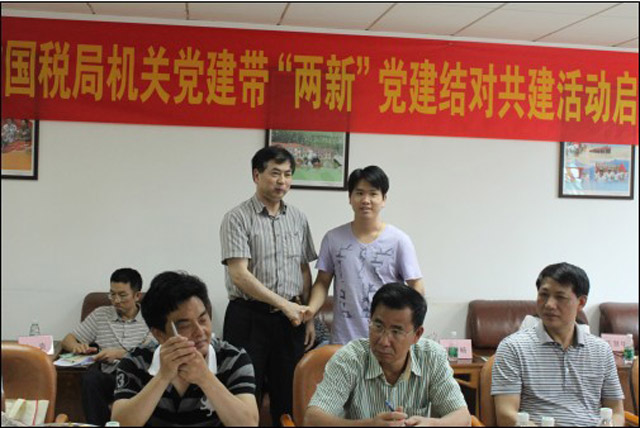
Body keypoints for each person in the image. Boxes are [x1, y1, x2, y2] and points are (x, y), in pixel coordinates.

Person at [220, 145, 318, 425]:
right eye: (275, 173)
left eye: (287, 174)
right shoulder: (237, 218)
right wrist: (285, 305)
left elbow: (303, 269)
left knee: (288, 397)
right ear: (256, 175)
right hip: (248, 318)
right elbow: (239, 275)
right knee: (243, 396)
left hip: (291, 323)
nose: (282, 181)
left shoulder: (298, 218)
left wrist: (308, 317)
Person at [305, 283, 471, 426]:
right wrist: (368, 426)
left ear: (417, 334)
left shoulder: (431, 357)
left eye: (396, 331)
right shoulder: (349, 358)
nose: (384, 341)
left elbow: (463, 417)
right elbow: (311, 419)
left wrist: (433, 424)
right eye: (378, 326)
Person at [111, 271, 258, 426]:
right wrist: (162, 377)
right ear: (159, 334)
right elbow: (120, 423)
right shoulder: (136, 361)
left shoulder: (233, 359)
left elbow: (249, 424)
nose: (200, 332)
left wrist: (205, 378)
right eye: (185, 326)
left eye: (203, 319)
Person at [492, 262, 625, 426]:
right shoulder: (513, 347)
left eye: (560, 297)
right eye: (543, 295)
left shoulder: (601, 350)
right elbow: (506, 415)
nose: (549, 304)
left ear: (581, 302)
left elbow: (616, 412)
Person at [305, 165, 424, 344]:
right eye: (359, 193)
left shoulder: (399, 240)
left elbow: (416, 286)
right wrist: (310, 312)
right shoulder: (333, 238)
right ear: (350, 198)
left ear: (383, 199)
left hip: (387, 341)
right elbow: (322, 282)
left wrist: (410, 328)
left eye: (373, 194)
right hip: (344, 340)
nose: (366, 200)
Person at [61, 267, 150, 426]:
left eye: (122, 295)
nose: (116, 300)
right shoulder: (101, 314)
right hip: (109, 376)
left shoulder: (151, 318)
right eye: (112, 294)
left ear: (137, 295)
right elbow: (68, 339)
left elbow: (155, 352)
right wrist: (76, 347)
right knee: (90, 379)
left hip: (138, 377)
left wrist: (120, 354)